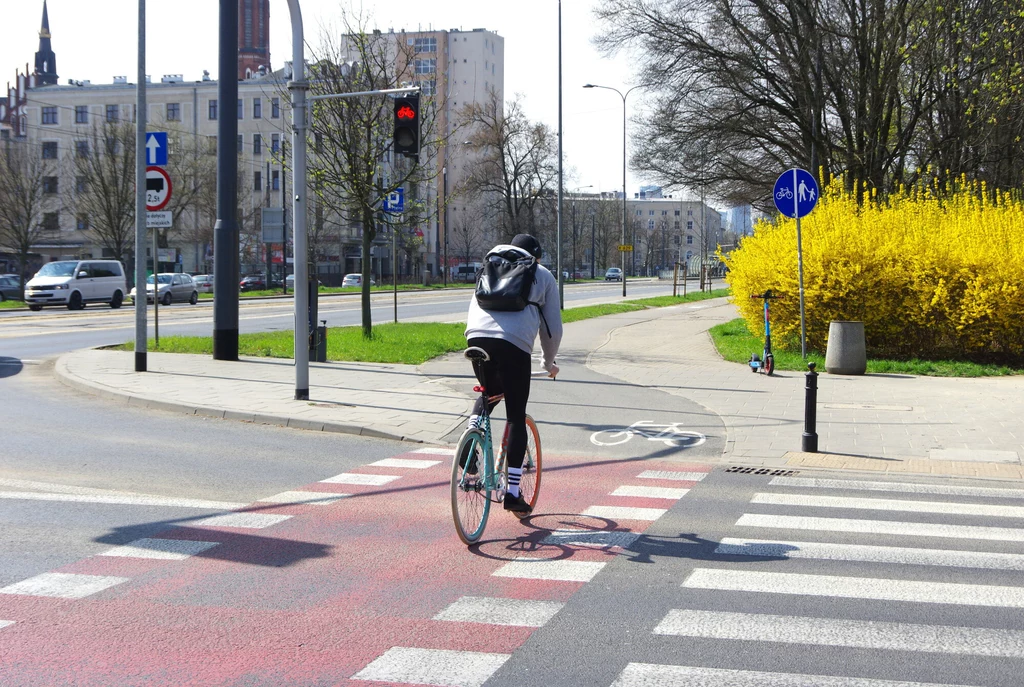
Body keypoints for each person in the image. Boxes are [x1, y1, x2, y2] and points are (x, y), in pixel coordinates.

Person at [464, 233, 563, 513]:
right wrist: (548, 362)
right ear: (536, 256)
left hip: (476, 339)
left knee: (490, 391)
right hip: (514, 344)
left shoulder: (488, 265)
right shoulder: (541, 274)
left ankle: (472, 433)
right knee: (516, 415)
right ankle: (513, 493)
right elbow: (552, 329)